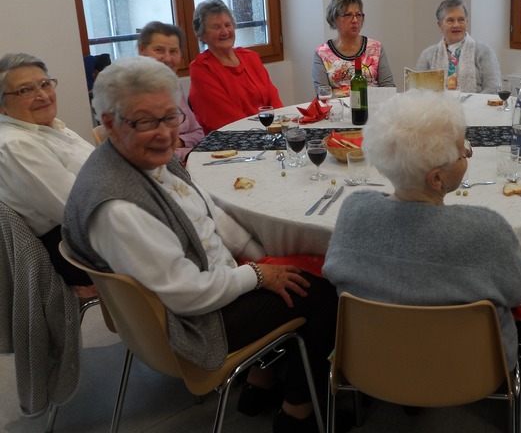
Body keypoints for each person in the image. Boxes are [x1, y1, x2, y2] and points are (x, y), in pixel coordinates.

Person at [62, 57, 341, 433]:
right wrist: (259, 274)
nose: (165, 133)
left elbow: (209, 214)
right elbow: (188, 296)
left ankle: (260, 384)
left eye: (171, 116)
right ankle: (298, 412)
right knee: (320, 290)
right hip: (193, 322)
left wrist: (264, 259)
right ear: (109, 122)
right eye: (145, 121)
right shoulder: (118, 206)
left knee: (297, 266)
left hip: (207, 283)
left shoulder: (142, 157)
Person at [323, 89, 521, 367]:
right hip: (469, 371)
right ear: (436, 178)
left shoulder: (353, 210)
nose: (466, 156)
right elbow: (520, 292)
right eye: (462, 152)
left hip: (372, 364)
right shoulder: (486, 229)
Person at [0, 52, 93, 285]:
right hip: (76, 248)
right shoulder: (16, 145)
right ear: (2, 107)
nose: (42, 95)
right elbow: (77, 211)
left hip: (100, 223)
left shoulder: (51, 127)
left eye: (44, 84)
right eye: (25, 90)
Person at [189, 0, 283, 134]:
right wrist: (262, 134)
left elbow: (273, 98)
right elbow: (225, 119)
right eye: (216, 27)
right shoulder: (201, 69)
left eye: (228, 25)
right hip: (232, 141)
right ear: (202, 35)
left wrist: (278, 126)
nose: (224, 31)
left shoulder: (251, 57)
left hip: (268, 133)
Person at [137, 21, 203, 161]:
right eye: (159, 50)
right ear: (141, 50)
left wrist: (177, 142)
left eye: (173, 51)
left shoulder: (173, 84)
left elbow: (198, 133)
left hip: (187, 160)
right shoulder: (133, 94)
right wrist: (185, 151)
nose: (167, 59)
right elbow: (147, 152)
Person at [312, 0, 394, 96]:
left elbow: (388, 87)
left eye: (358, 15)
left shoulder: (375, 48)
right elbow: (323, 94)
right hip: (338, 109)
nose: (355, 20)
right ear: (334, 19)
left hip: (373, 108)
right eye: (348, 15)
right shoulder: (322, 53)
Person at [415, 0, 501, 93]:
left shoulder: (483, 51)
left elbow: (493, 88)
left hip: (476, 107)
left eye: (461, 20)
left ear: (466, 23)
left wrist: (472, 105)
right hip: (437, 107)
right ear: (440, 25)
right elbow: (417, 91)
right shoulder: (427, 54)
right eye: (450, 20)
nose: (456, 25)